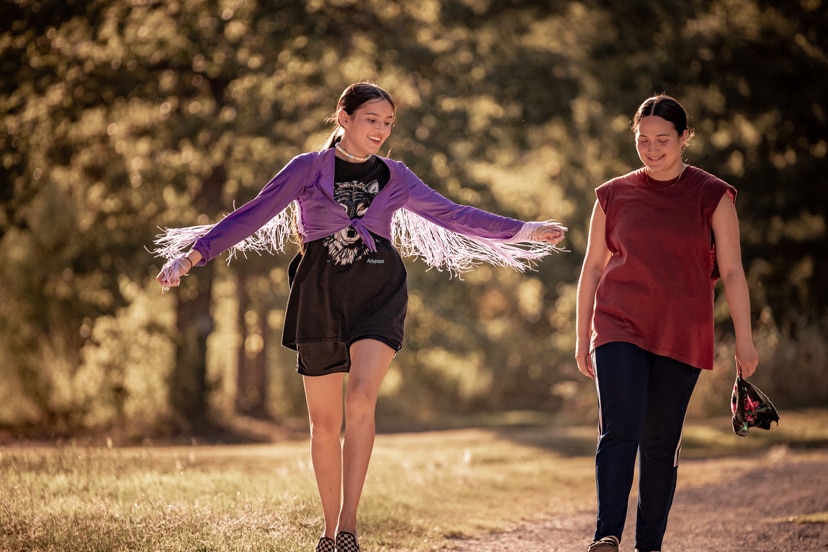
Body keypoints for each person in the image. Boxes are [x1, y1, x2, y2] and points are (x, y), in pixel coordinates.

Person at [154, 82, 567, 552]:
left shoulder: (396, 175)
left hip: (378, 291)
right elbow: (253, 213)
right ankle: (329, 533)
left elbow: (452, 214)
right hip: (319, 294)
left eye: (388, 122)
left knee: (362, 399)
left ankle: (349, 526)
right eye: (372, 119)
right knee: (325, 426)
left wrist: (523, 230)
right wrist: (192, 257)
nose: (381, 130)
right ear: (343, 117)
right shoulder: (307, 168)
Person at [574, 95, 758, 552]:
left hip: (682, 331)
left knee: (659, 443)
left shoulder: (713, 194)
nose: (652, 149)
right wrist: (583, 337)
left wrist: (745, 341)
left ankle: (649, 546)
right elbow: (593, 268)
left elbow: (732, 272)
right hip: (619, 325)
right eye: (643, 140)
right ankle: (607, 535)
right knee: (620, 428)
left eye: (662, 140)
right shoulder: (612, 194)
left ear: (684, 138)